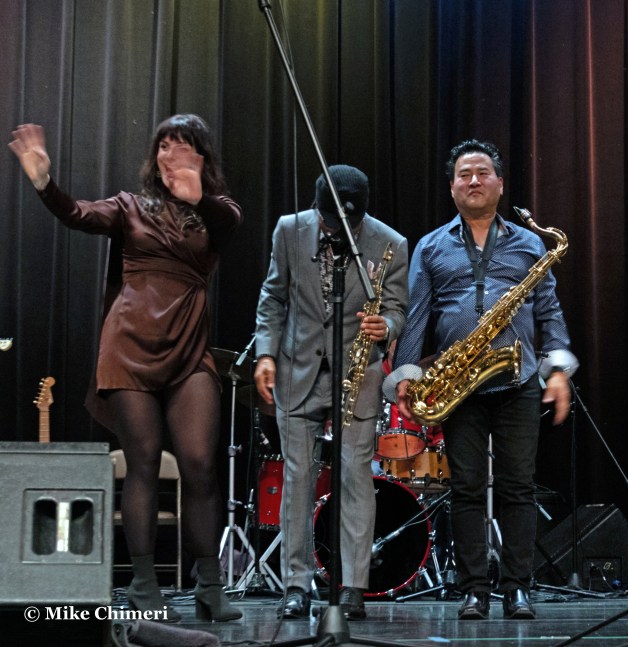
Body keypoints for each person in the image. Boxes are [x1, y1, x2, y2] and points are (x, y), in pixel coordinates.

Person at [8, 116, 243, 622]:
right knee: (143, 462)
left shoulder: (217, 211)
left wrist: (197, 197)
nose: (170, 155)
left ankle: (209, 585)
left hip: (189, 348)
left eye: (181, 146)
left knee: (200, 464)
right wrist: (45, 183)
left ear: (202, 156)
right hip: (129, 346)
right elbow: (78, 214)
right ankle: (143, 583)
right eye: (163, 146)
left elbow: (230, 223)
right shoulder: (130, 207)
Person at [384, 139, 578, 620]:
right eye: (464, 174)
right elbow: (416, 317)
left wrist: (557, 370)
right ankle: (474, 590)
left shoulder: (530, 243)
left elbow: (549, 311)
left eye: (482, 173)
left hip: (518, 377)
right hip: (457, 387)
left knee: (518, 487)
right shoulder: (431, 246)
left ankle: (517, 588)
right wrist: (406, 375)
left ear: (500, 184)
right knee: (467, 489)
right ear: (452, 187)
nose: (473, 180)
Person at [253, 164, 409, 620]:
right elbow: (272, 297)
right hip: (297, 369)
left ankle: (353, 585)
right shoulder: (289, 230)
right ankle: (296, 585)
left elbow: (398, 308)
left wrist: (387, 325)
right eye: (331, 220)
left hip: (358, 374)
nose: (338, 230)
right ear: (318, 208)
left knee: (355, 477)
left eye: (349, 223)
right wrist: (266, 353)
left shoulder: (391, 243)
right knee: (298, 478)